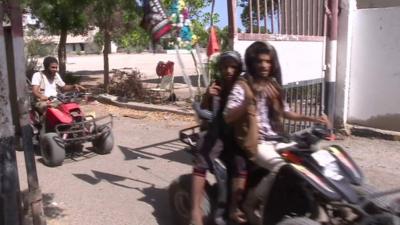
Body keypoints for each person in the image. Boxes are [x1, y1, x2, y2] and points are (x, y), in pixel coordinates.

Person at [223, 41, 331, 222]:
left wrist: (312, 119)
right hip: (257, 142)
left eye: (268, 62)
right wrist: (247, 101)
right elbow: (228, 116)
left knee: (312, 162)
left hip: (278, 139)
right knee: (284, 169)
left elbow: (285, 112)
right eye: (260, 61)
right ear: (252, 63)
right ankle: (250, 203)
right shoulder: (242, 86)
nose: (265, 65)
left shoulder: (272, 85)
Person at [191, 51, 248, 225]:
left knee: (242, 164)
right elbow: (201, 112)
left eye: (233, 67)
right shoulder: (217, 85)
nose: (229, 70)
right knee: (202, 156)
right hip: (217, 134)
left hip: (237, 137)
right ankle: (195, 211)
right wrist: (208, 95)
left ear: (239, 68)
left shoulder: (243, 86)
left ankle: (235, 208)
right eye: (225, 67)